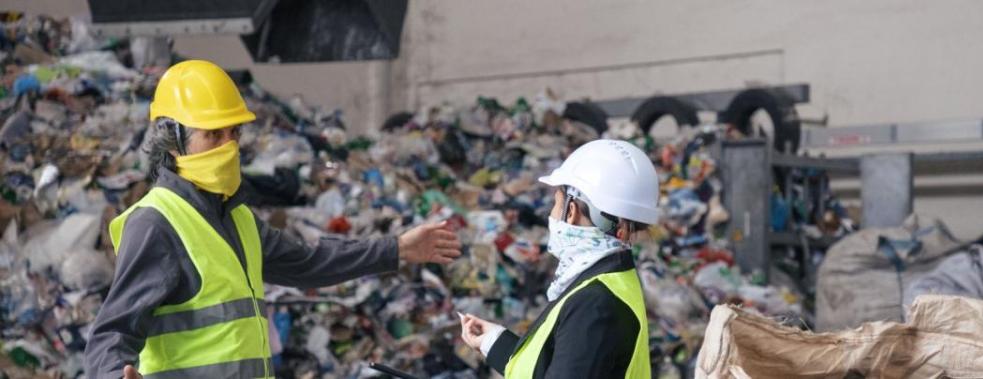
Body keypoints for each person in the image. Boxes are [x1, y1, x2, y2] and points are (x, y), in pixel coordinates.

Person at [83, 60, 463, 379]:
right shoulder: (156, 224)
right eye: (212, 135)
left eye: (233, 133)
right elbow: (112, 332)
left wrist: (395, 250)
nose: (228, 147)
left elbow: (310, 263)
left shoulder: (238, 219)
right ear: (174, 141)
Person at [460, 139, 658, 378]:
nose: (551, 216)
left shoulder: (595, 304)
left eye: (555, 205)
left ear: (571, 211)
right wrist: (493, 341)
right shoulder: (610, 279)